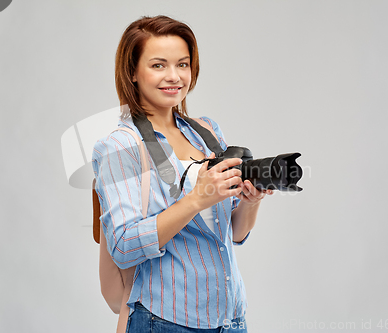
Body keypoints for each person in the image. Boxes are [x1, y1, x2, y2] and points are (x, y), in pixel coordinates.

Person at [92, 15, 273, 333]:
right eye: (158, 65)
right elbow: (121, 246)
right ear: (132, 72)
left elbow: (232, 234)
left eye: (183, 64)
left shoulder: (206, 131)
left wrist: (251, 200)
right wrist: (195, 200)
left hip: (231, 320)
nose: (174, 77)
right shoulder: (120, 146)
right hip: (165, 321)